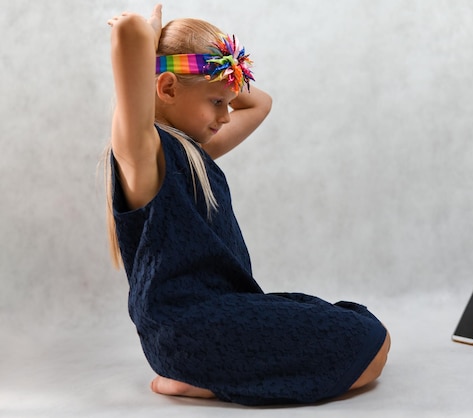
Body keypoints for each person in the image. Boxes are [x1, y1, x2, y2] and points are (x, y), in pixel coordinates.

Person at [105, 4, 390, 406]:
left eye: (226, 102)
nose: (226, 115)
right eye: (216, 102)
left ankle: (201, 377)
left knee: (358, 322)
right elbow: (129, 31)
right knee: (370, 347)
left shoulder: (193, 150)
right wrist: (153, 36)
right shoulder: (142, 153)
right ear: (166, 88)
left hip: (217, 315)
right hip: (186, 329)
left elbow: (261, 103)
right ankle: (200, 380)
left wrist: (224, 73)